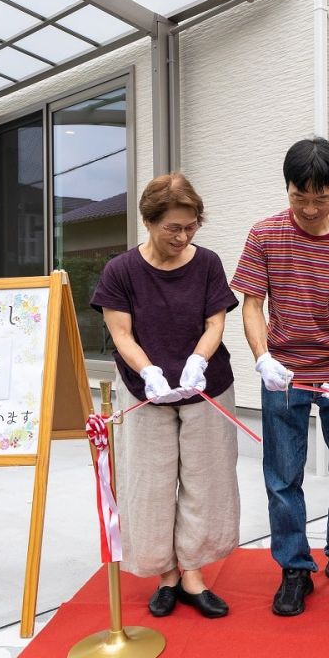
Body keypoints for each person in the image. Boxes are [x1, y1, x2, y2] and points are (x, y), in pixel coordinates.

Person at [231, 137, 329, 617]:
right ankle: (294, 567)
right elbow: (252, 305)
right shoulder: (265, 234)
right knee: (282, 473)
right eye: (300, 196)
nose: (311, 207)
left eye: (322, 196)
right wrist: (261, 356)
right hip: (282, 374)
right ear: (287, 187)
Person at [90, 172, 239, 619]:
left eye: (191, 226)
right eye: (173, 227)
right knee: (149, 485)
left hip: (206, 388)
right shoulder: (122, 270)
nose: (183, 236)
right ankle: (165, 573)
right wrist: (149, 371)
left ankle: (192, 571)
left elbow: (216, 322)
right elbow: (121, 333)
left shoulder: (208, 263)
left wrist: (198, 361)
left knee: (205, 482)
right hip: (145, 393)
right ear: (149, 222)